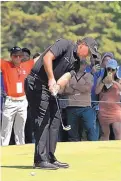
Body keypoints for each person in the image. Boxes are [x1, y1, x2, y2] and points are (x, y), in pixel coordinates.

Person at [24, 37, 99, 170]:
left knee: (55, 119)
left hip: (49, 87)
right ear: (82, 44)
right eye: (89, 51)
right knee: (43, 118)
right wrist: (52, 79)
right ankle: (40, 159)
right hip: (35, 82)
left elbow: (67, 77)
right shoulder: (66, 44)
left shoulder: (76, 63)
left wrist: (57, 86)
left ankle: (50, 157)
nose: (88, 55)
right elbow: (47, 57)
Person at [1, 46, 34, 146]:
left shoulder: (26, 65)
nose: (18, 58)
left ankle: (21, 148)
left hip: (23, 101)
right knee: (6, 128)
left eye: (20, 56)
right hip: (10, 101)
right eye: (15, 56)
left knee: (20, 127)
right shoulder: (6, 65)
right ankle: (3, 149)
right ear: (11, 56)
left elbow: (39, 59)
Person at [63, 60, 98, 141]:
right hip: (71, 107)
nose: (80, 66)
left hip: (86, 107)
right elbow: (66, 90)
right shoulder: (69, 76)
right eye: (78, 64)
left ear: (85, 66)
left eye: (82, 64)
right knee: (72, 132)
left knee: (90, 128)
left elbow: (87, 88)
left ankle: (93, 147)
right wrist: (80, 87)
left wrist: (73, 86)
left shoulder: (89, 76)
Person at [95, 59, 121, 140]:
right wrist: (103, 82)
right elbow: (96, 92)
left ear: (116, 70)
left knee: (117, 131)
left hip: (116, 109)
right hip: (103, 110)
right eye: (108, 69)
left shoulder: (118, 79)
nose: (110, 71)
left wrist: (113, 81)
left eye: (113, 69)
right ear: (106, 69)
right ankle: (103, 150)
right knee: (105, 133)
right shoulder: (101, 78)